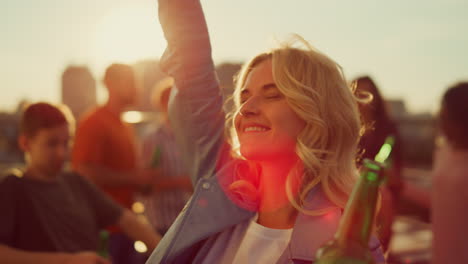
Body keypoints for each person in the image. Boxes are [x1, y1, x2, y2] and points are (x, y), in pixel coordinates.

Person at [146, 0, 385, 263]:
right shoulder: (222, 189)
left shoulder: (346, 249)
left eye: (272, 96)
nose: (246, 108)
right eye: (244, 97)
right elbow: (191, 67)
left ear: (316, 113)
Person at [0, 102, 160, 264]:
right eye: (52, 143)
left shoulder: (76, 182)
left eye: (66, 142)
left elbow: (127, 221)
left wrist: (166, 249)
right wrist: (68, 261)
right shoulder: (13, 188)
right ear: (25, 143)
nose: (61, 153)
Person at [71, 63, 158, 264]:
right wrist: (135, 177)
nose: (138, 88)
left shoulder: (124, 124)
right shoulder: (94, 121)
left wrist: (141, 182)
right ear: (110, 84)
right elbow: (84, 172)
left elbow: (123, 175)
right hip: (103, 232)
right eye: (131, 82)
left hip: (126, 227)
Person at [137, 77, 192, 235]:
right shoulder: (152, 139)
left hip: (186, 222)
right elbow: (145, 186)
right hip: (161, 224)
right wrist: (180, 182)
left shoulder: (190, 138)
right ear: (162, 104)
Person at [354, 76, 404, 252]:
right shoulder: (346, 128)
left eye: (368, 93)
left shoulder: (388, 129)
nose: (364, 99)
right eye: (358, 93)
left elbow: (396, 173)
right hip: (349, 196)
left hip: (380, 197)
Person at [431, 82, 468, 264]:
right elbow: (439, 198)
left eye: (446, 113)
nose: (440, 116)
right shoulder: (443, 151)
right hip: (440, 254)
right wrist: (401, 186)